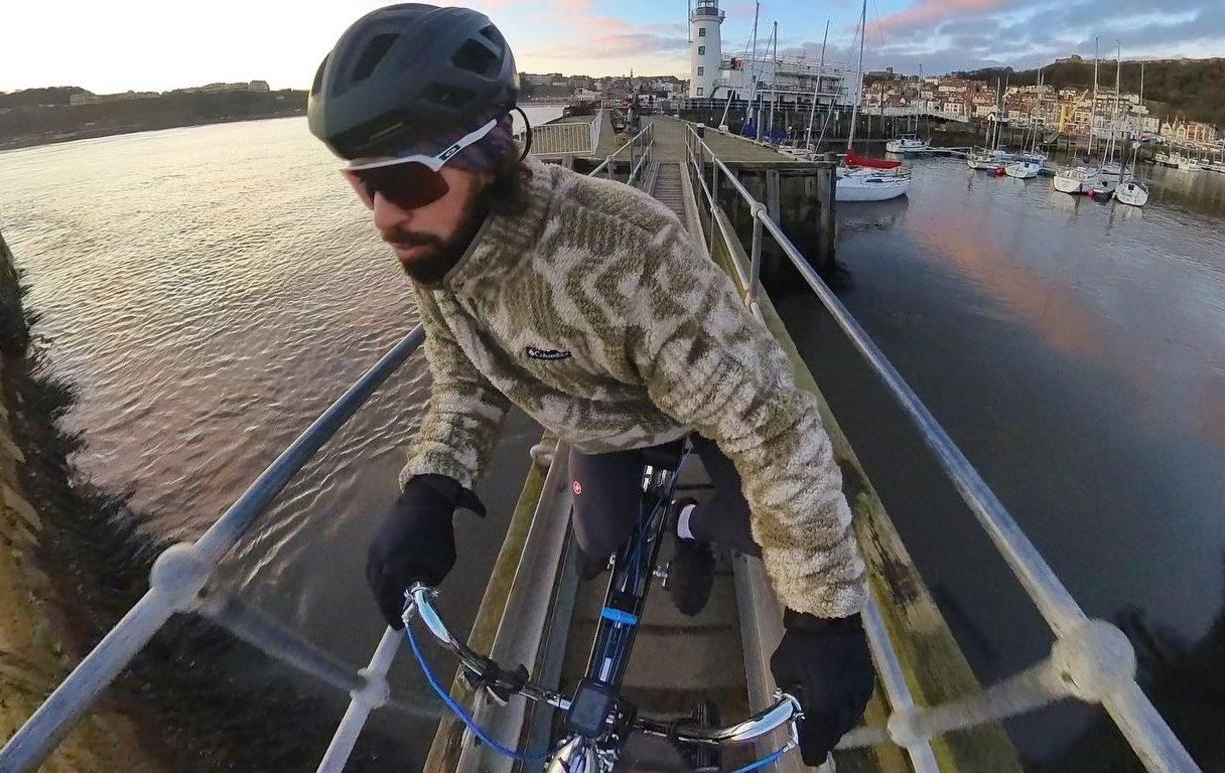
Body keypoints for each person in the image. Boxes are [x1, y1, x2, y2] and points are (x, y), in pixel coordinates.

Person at [308, 5, 873, 765]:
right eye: (358, 185)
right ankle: (664, 527)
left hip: (707, 405)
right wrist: (433, 485)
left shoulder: (630, 254)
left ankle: (691, 529)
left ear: (489, 149)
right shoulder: (436, 247)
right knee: (599, 541)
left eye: (400, 180)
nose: (381, 216)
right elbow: (463, 376)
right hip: (599, 425)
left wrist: (826, 620)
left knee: (779, 537)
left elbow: (773, 429)